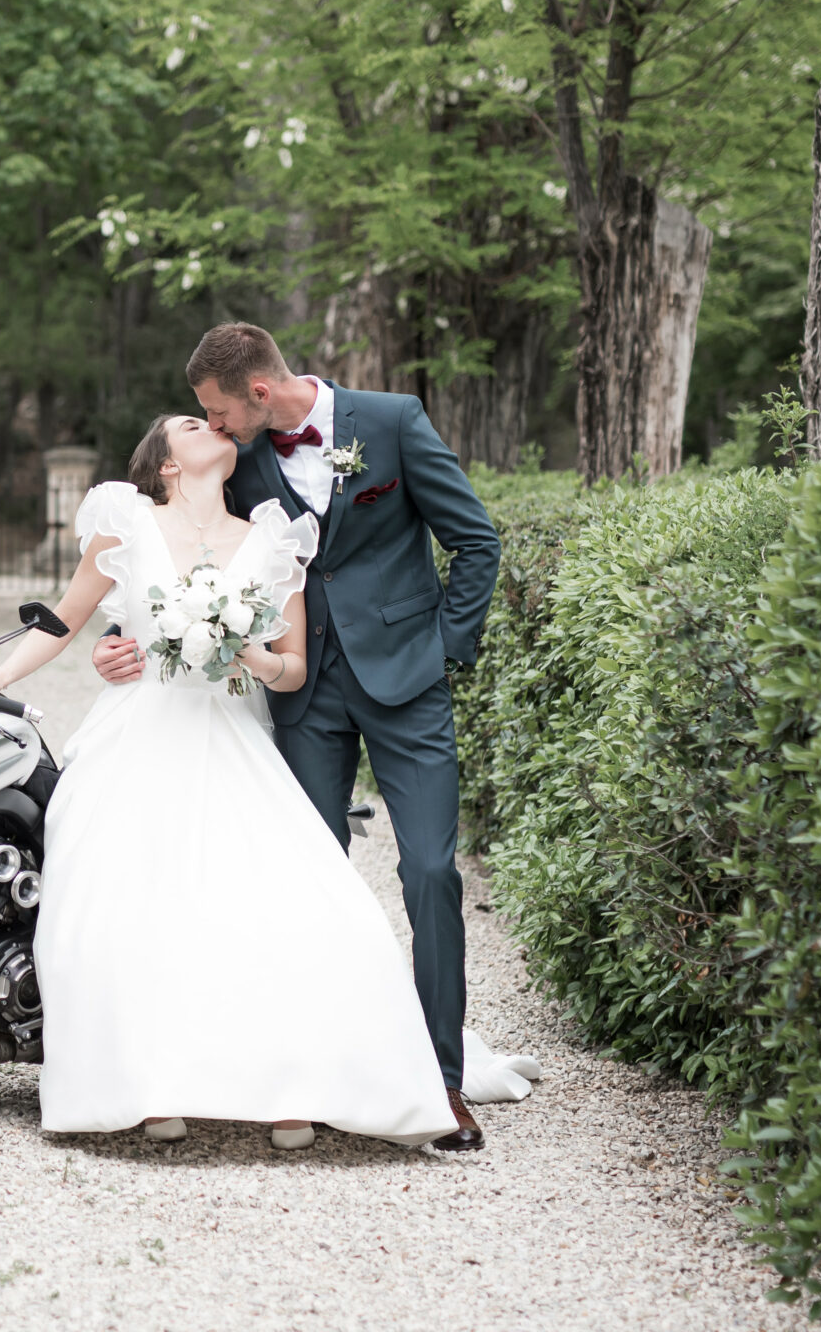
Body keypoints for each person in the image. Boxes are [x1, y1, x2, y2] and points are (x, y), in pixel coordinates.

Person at [0, 413, 460, 1149]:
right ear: (166, 463)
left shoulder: (273, 538)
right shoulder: (124, 522)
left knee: (278, 902)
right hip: (139, 732)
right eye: (191, 423)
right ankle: (152, 1080)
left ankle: (296, 1084)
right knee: (132, 904)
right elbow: (67, 621)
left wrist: (252, 660)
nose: (214, 427)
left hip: (232, 730)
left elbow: (291, 664)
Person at [91, 323, 504, 1150]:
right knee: (305, 883)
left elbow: (475, 539)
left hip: (406, 685)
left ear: (256, 392)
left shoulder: (392, 422)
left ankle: (442, 1079)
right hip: (300, 694)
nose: (215, 428)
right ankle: (311, 1074)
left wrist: (441, 651)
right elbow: (184, 545)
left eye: (217, 410)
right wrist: (117, 634)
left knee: (429, 871)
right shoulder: (241, 460)